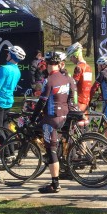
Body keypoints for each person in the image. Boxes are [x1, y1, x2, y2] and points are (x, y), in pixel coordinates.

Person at [30, 51, 78, 194]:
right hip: (64, 116)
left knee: (51, 150)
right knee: (55, 144)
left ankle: (55, 184)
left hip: (51, 119)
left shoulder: (49, 80)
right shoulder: (67, 78)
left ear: (49, 65)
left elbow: (42, 101)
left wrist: (33, 118)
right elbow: (72, 96)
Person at [0, 45, 26, 129]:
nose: (7, 54)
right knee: (5, 127)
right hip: (8, 101)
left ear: (12, 56)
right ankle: (10, 142)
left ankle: (4, 142)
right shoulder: (17, 71)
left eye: (9, 53)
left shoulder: (4, 69)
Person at [90, 56, 107, 141]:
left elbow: (94, 87)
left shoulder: (103, 73)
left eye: (99, 65)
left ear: (104, 65)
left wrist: (88, 99)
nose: (98, 67)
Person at [66, 42, 92, 113]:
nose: (71, 60)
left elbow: (73, 84)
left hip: (78, 99)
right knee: (84, 121)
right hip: (86, 98)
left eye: (71, 57)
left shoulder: (78, 67)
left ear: (75, 55)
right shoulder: (88, 67)